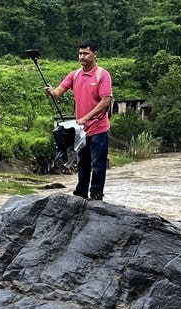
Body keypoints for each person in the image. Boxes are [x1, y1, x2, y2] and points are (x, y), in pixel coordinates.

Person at [46, 40, 113, 200]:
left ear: (95, 54)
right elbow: (59, 91)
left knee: (98, 163)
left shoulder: (102, 75)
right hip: (81, 130)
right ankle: (81, 193)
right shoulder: (75, 75)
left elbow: (105, 101)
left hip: (98, 127)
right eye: (80, 53)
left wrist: (86, 117)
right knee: (83, 162)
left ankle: (96, 194)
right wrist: (51, 92)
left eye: (85, 53)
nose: (82, 57)